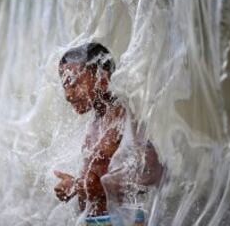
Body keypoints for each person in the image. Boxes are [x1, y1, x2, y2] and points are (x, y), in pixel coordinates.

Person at [54, 43, 163, 224]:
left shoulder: (123, 118)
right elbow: (97, 175)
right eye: (64, 84)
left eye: (72, 82)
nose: (68, 94)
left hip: (122, 220)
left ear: (102, 79)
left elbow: (152, 173)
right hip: (100, 220)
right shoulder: (97, 121)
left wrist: (78, 186)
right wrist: (79, 186)